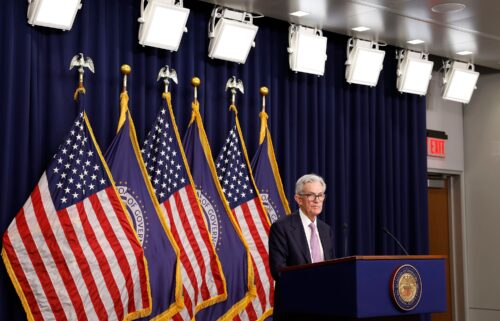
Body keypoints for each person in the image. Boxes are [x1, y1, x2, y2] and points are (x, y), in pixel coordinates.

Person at [268, 173, 335, 281]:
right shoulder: (281, 228)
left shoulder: (326, 230)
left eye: (320, 195)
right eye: (311, 195)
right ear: (298, 199)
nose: (317, 200)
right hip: (295, 294)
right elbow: (278, 271)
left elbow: (332, 267)